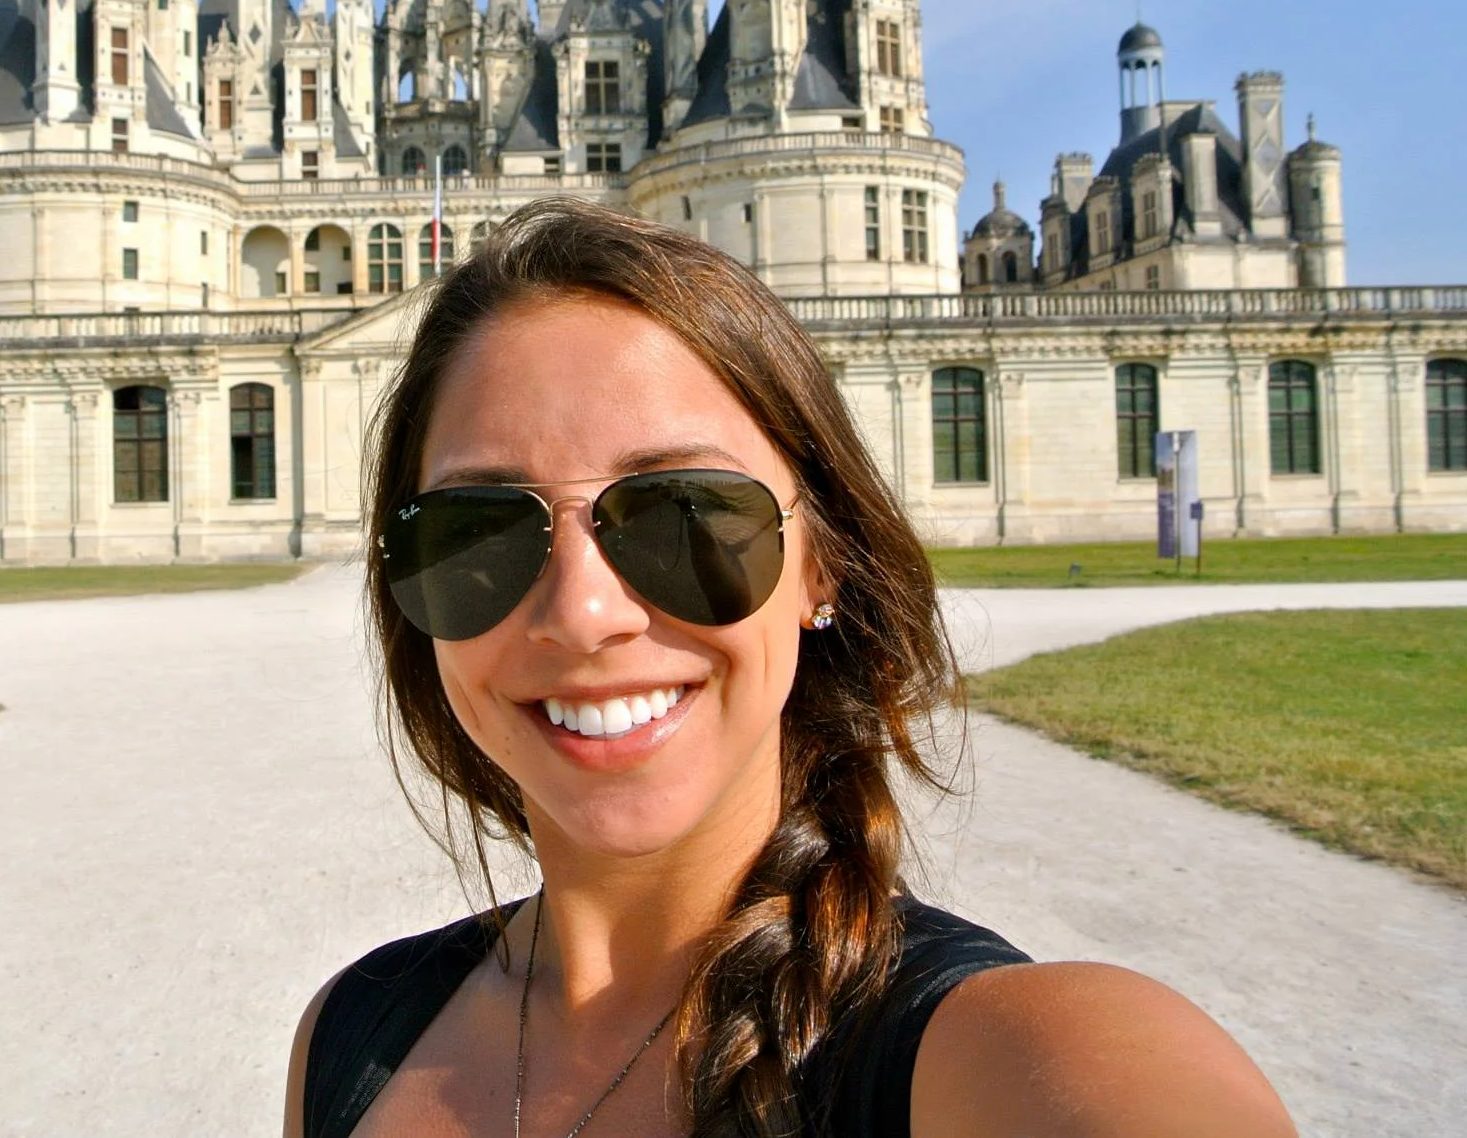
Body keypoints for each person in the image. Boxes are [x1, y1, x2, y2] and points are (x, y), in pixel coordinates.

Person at [283, 198, 1295, 1138]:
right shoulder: (347, 1041)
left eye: (685, 515)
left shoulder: (990, 1050)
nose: (581, 612)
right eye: (476, 532)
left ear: (821, 563)